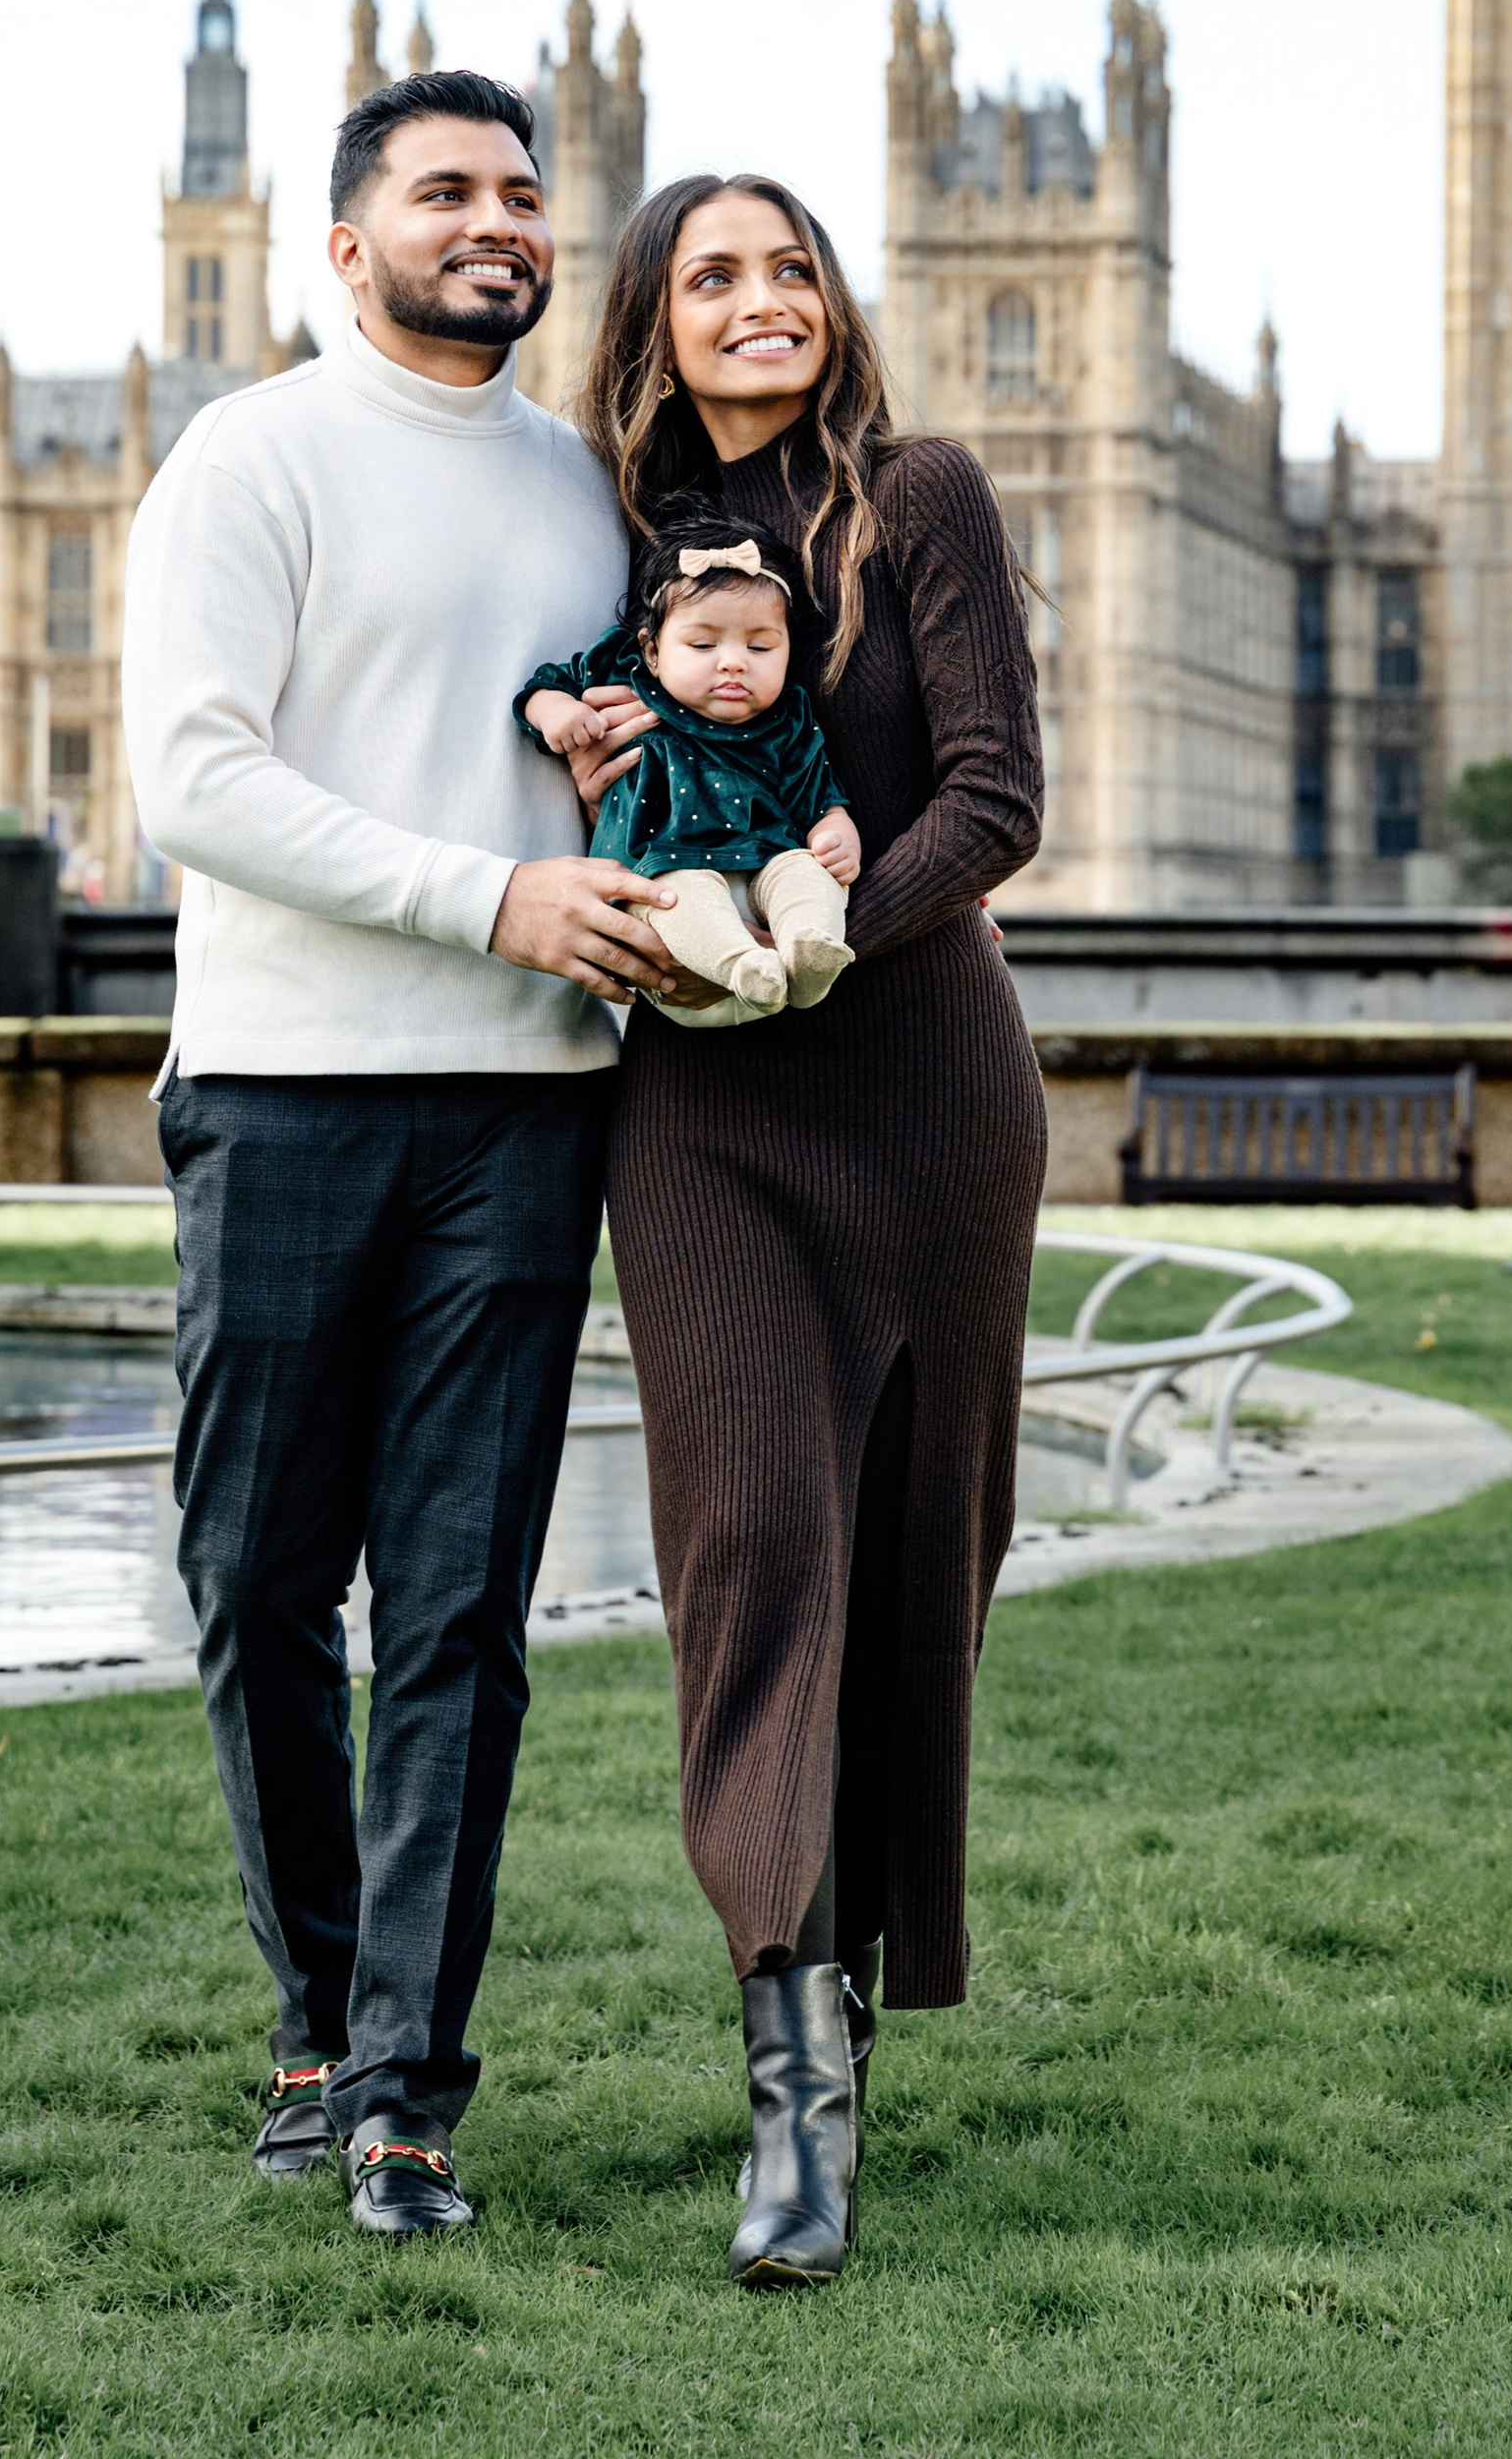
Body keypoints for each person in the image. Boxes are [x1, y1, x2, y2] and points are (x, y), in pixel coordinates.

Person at [122, 68, 686, 2245]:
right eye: (445, 190)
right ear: (343, 243)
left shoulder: (584, 492)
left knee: (454, 1612)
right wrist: (491, 890)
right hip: (283, 1087)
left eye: (525, 193)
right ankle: (310, 2011)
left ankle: (400, 2091)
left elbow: (651, 744)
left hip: (530, 1107)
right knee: (260, 1585)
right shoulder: (248, 455)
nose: (497, 221)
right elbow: (195, 777)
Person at [560, 170, 1046, 2290]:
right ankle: (792, 2082)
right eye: (709, 274)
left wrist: (829, 926)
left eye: (788, 267)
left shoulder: (914, 499)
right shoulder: (594, 531)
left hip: (922, 1091)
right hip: (701, 1118)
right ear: (651, 323)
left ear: (836, 305)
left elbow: (995, 794)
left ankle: (848, 1987)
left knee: (913, 1571)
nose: (758, 300)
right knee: (752, 1554)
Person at [515, 519, 861, 1023]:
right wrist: (553, 710)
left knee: (807, 873)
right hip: (666, 873)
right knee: (678, 892)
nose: (733, 663)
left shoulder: (787, 717)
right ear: (652, 651)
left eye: (760, 647)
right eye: (703, 645)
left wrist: (836, 829)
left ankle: (809, 953)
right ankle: (741, 964)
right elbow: (543, 685)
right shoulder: (625, 679)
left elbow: (820, 794)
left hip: (764, 868)